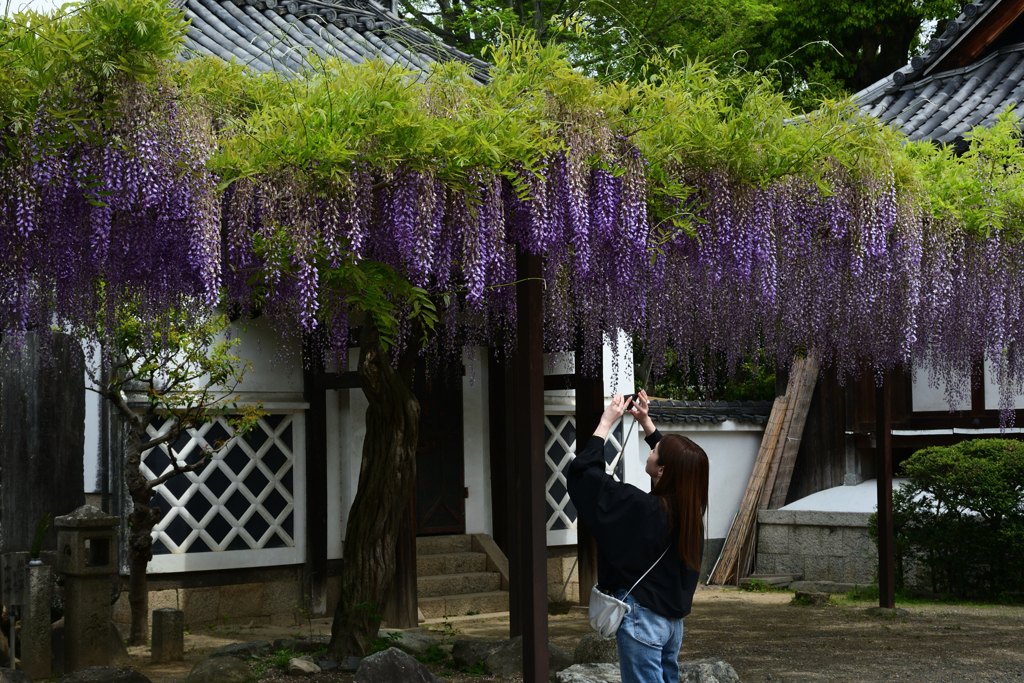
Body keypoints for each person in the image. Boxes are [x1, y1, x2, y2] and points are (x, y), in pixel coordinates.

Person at [567, 390, 709, 683]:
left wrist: (605, 423)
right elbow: (679, 469)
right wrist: (646, 423)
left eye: (654, 452)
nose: (650, 452)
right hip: (671, 624)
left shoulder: (643, 509)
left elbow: (586, 479)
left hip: (642, 618)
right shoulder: (690, 515)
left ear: (663, 469)